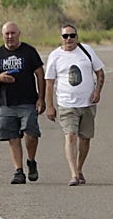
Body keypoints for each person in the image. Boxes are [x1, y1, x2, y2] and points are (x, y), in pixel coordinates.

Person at [0, 21, 46, 185]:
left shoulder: (29, 51)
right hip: (6, 103)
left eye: (13, 33)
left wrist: (41, 98)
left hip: (28, 101)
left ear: (19, 33)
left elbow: (40, 73)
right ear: (3, 35)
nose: (10, 37)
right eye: (7, 34)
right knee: (12, 136)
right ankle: (18, 171)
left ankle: (31, 161)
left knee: (31, 134)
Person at [44, 24, 105, 186]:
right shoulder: (55, 56)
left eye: (72, 36)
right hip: (66, 104)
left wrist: (98, 91)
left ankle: (79, 168)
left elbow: (100, 72)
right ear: (61, 38)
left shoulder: (86, 50)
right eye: (65, 36)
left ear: (77, 37)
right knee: (70, 136)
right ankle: (73, 174)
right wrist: (50, 106)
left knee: (85, 139)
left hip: (87, 103)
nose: (69, 39)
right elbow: (49, 83)